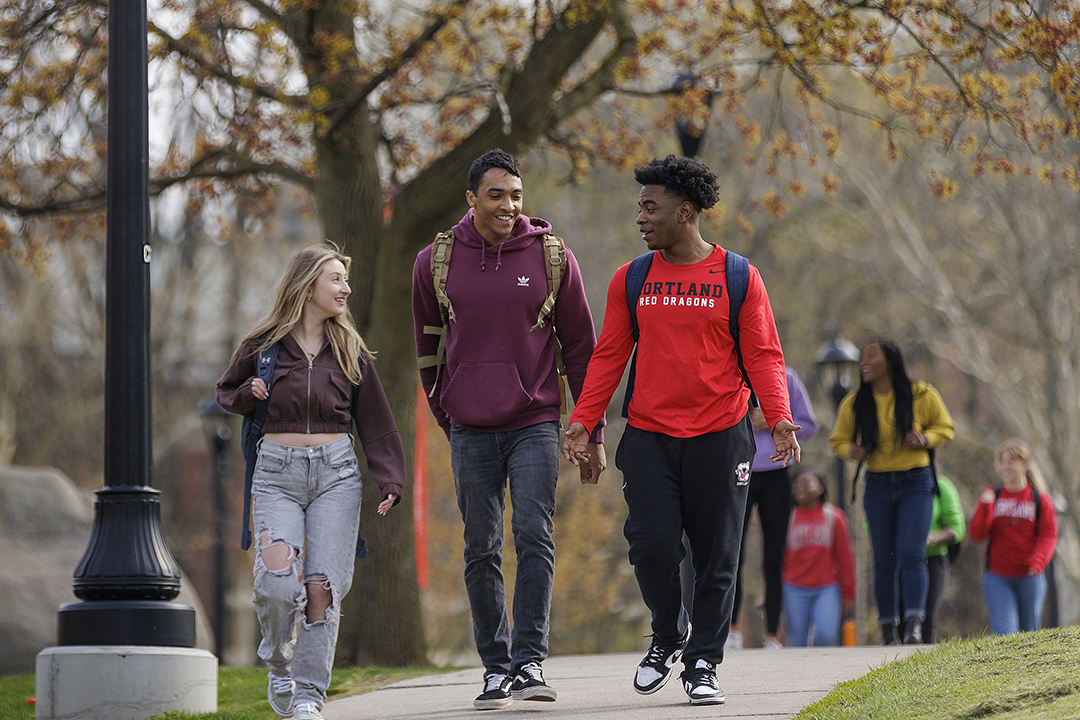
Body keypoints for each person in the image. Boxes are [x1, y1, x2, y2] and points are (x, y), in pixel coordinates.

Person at [562, 155, 801, 706]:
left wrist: (780, 417)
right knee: (650, 546)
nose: (641, 218)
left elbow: (764, 353)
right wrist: (584, 420)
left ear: (685, 212)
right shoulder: (633, 278)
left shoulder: (739, 276)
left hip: (721, 434)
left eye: (652, 208)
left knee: (719, 555)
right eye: (639, 208)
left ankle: (703, 664)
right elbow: (609, 357)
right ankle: (668, 635)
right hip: (648, 435)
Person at [411, 149, 606, 710]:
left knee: (535, 537)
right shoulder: (435, 261)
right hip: (469, 424)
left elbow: (581, 348)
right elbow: (426, 348)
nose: (509, 205)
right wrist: (445, 410)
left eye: (516, 195)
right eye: (496, 195)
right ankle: (495, 667)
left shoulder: (551, 257)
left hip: (535, 421)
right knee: (480, 547)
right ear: (471, 199)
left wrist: (587, 427)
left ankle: (530, 662)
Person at [216, 245, 406, 720]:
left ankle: (308, 693)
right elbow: (226, 392)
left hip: (336, 474)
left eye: (345, 279)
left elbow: (376, 423)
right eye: (336, 279)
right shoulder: (262, 347)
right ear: (307, 285)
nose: (345, 288)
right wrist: (247, 392)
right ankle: (279, 661)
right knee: (278, 585)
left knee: (322, 586)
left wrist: (390, 477)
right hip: (277, 473)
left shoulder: (350, 351)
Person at [828, 338, 955, 646]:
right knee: (884, 559)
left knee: (912, 554)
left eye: (871, 355)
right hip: (878, 483)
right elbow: (838, 440)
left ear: (890, 360)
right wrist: (852, 451)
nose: (864, 362)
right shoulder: (856, 402)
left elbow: (946, 427)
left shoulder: (921, 395)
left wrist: (924, 439)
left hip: (916, 481)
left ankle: (913, 625)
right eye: (862, 357)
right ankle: (888, 629)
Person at [729, 367, 818, 650]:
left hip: (777, 472)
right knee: (732, 553)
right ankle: (731, 630)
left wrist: (771, 421)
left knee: (774, 557)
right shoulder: (728, 371)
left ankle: (771, 635)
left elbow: (808, 425)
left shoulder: (786, 377)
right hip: (738, 470)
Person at [967, 439, 1058, 635]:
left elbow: (1049, 536)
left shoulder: (1040, 500)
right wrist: (985, 508)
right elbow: (976, 534)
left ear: (1025, 465)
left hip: (1030, 577)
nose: (1005, 467)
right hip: (997, 577)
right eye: (1002, 462)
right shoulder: (993, 495)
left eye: (1011, 462)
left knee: (1029, 634)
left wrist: (1038, 562)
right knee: (1004, 633)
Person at [782, 468, 855, 647]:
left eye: (807, 484)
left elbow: (845, 558)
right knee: (796, 643)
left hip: (827, 589)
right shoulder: (787, 517)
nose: (800, 488)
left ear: (820, 488)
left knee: (826, 636)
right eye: (797, 485)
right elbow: (776, 559)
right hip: (794, 589)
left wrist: (848, 595)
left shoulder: (833, 517)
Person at [922, 473, 965, 643]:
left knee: (928, 618)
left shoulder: (942, 486)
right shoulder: (892, 484)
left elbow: (957, 529)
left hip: (934, 558)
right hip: (901, 562)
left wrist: (932, 538)